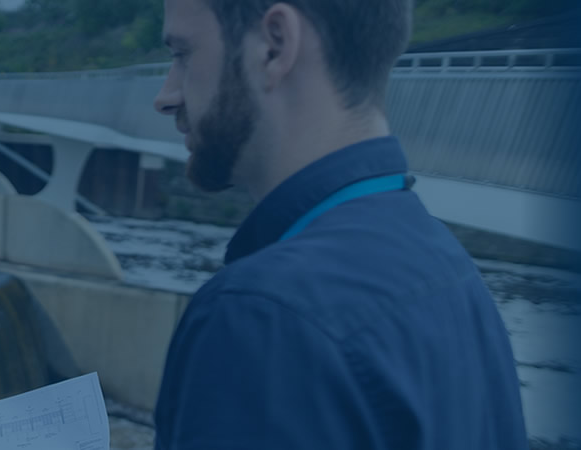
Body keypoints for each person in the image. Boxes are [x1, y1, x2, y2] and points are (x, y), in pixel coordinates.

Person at [149, 0, 527, 448]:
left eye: (182, 54)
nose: (166, 96)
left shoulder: (264, 315)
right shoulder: (453, 274)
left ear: (274, 45)